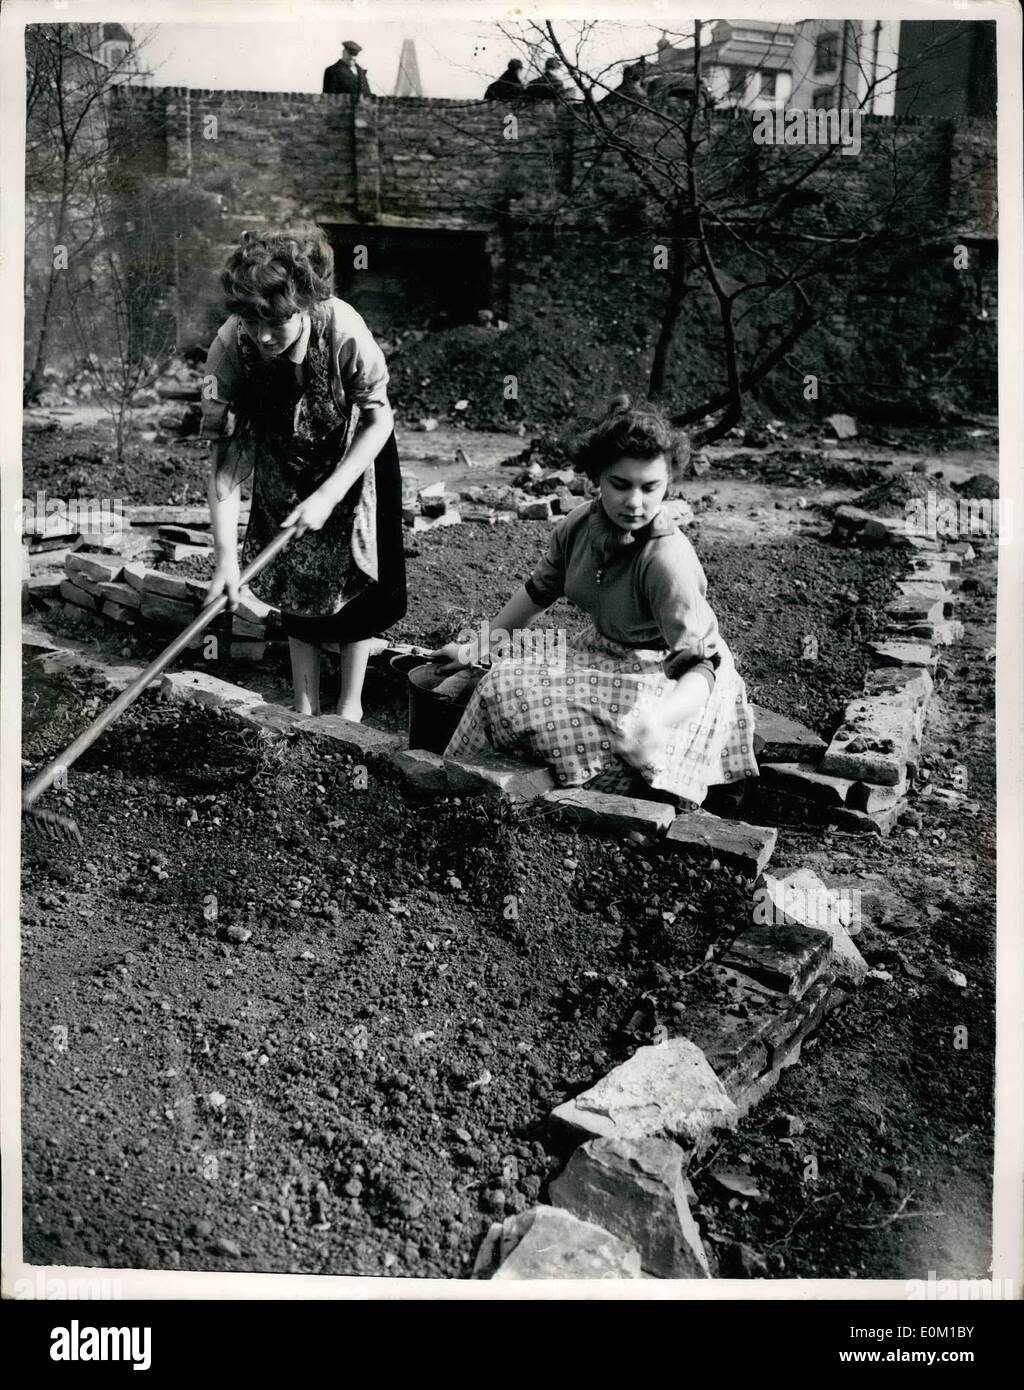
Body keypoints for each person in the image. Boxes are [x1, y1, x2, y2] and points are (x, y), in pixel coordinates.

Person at [432, 398, 760, 808]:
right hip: (602, 650)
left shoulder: (665, 559)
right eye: (620, 485)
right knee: (497, 685)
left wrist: (660, 721)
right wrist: (474, 650)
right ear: (596, 479)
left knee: (584, 731)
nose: (635, 502)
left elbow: (700, 665)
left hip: (667, 677)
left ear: (668, 484)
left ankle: (594, 809)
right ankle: (461, 793)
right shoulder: (580, 526)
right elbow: (538, 591)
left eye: (650, 487)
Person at [200, 228, 406, 720]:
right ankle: (303, 708)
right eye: (251, 319)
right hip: (282, 454)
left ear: (307, 304)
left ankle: (350, 711)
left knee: (357, 575)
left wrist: (332, 494)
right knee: (295, 574)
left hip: (356, 452)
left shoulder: (343, 330)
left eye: (277, 321)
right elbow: (226, 464)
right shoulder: (228, 350)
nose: (263, 335)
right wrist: (225, 561)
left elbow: (380, 419)